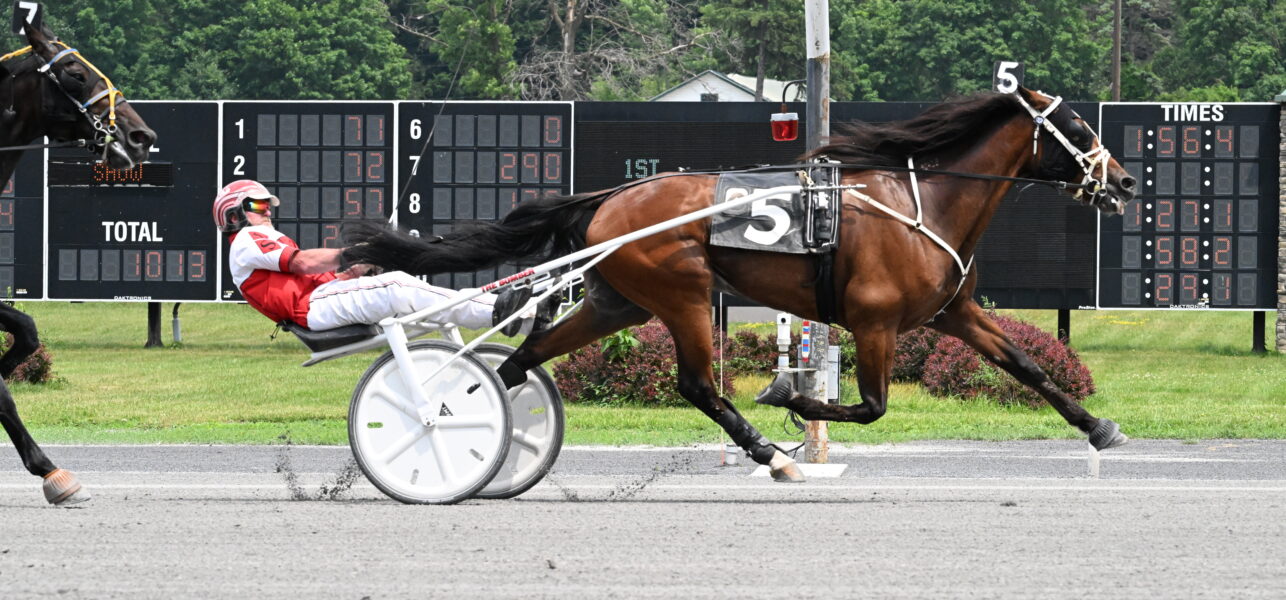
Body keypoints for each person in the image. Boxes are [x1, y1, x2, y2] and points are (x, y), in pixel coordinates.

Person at [213, 179, 546, 336]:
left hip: (319, 300)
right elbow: (302, 264)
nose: (267, 210)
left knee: (409, 297)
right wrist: (355, 252)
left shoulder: (261, 239)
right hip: (312, 308)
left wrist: (358, 269)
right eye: (257, 205)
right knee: (397, 286)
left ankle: (530, 315)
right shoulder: (246, 240)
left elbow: (318, 277)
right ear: (234, 214)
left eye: (268, 204)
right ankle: (495, 311)